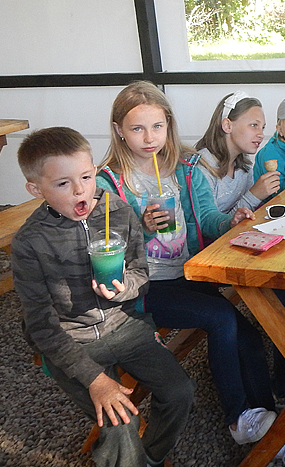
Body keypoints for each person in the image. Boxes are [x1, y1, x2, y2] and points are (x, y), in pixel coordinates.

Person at [96, 82, 285, 465]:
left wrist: (231, 220)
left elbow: (208, 218)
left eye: (157, 126)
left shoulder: (184, 170)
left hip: (186, 274)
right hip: (142, 287)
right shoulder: (108, 182)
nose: (149, 138)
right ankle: (239, 418)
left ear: (168, 125)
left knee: (247, 336)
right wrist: (143, 228)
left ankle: (272, 427)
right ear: (118, 130)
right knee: (221, 318)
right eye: (137, 129)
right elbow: (107, 247)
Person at [11, 127, 195, 467]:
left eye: (86, 176)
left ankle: (149, 458)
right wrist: (96, 380)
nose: (80, 189)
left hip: (125, 325)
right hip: (72, 341)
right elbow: (40, 324)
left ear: (94, 170)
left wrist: (126, 288)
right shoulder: (29, 242)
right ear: (36, 189)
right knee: (120, 423)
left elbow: (140, 273)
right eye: (62, 183)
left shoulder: (118, 213)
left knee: (179, 392)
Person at [193, 91, 285, 409]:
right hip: (209, 258)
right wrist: (255, 195)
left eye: (263, 126)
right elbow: (207, 223)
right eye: (253, 125)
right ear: (227, 125)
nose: (261, 133)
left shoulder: (245, 164)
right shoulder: (201, 167)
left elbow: (250, 214)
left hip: (239, 247)